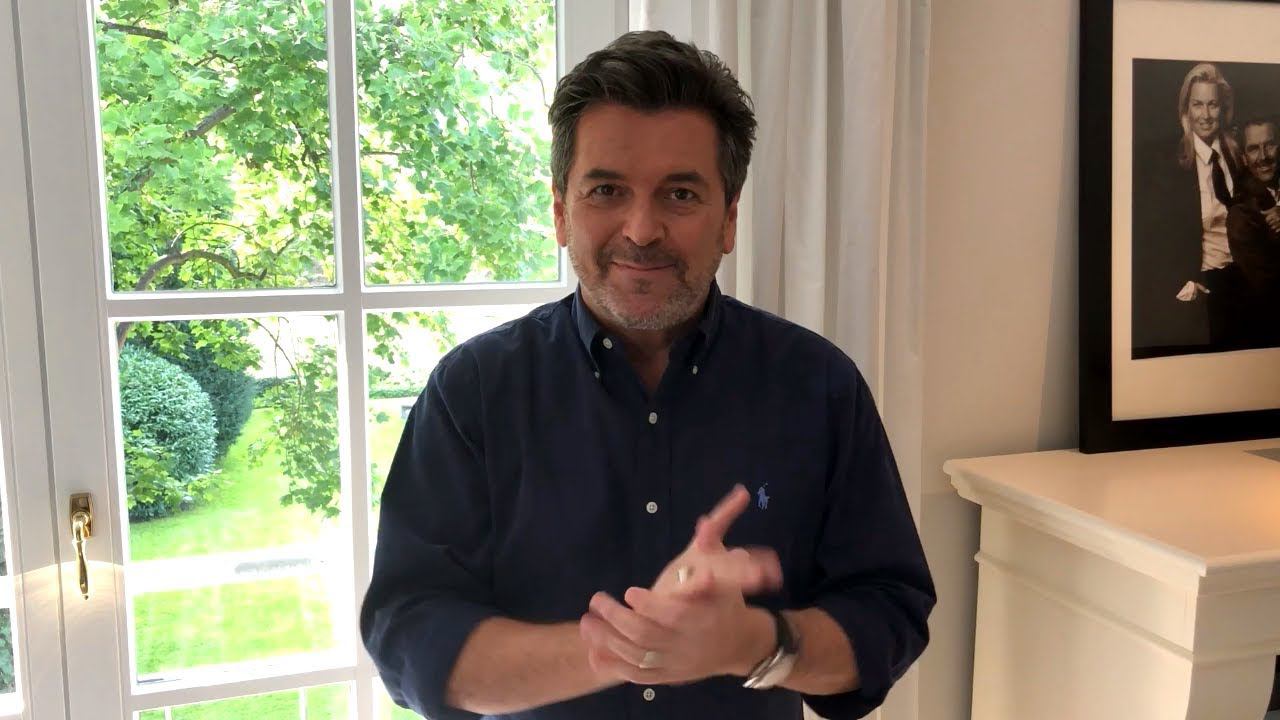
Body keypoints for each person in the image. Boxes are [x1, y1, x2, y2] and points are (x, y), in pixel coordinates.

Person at [361, 30, 935, 720]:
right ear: (560, 212)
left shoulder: (819, 386)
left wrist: (755, 643)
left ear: (729, 219)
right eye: (606, 190)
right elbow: (411, 639)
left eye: (680, 194)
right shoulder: (473, 392)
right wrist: (627, 649)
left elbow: (887, 617)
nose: (640, 229)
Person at [1132, 62, 1246, 356]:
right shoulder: (1170, 164)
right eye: (1197, 104)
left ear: (1224, 108)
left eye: (1213, 105)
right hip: (1203, 289)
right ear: (1186, 109)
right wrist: (1181, 284)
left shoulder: (1236, 154)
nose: (1205, 115)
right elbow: (1149, 236)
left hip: (1242, 283)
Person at [1226, 117, 1280, 347]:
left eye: (1270, 145)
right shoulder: (1241, 216)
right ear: (1244, 158)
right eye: (1254, 149)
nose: (1263, 156)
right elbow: (1271, 291)